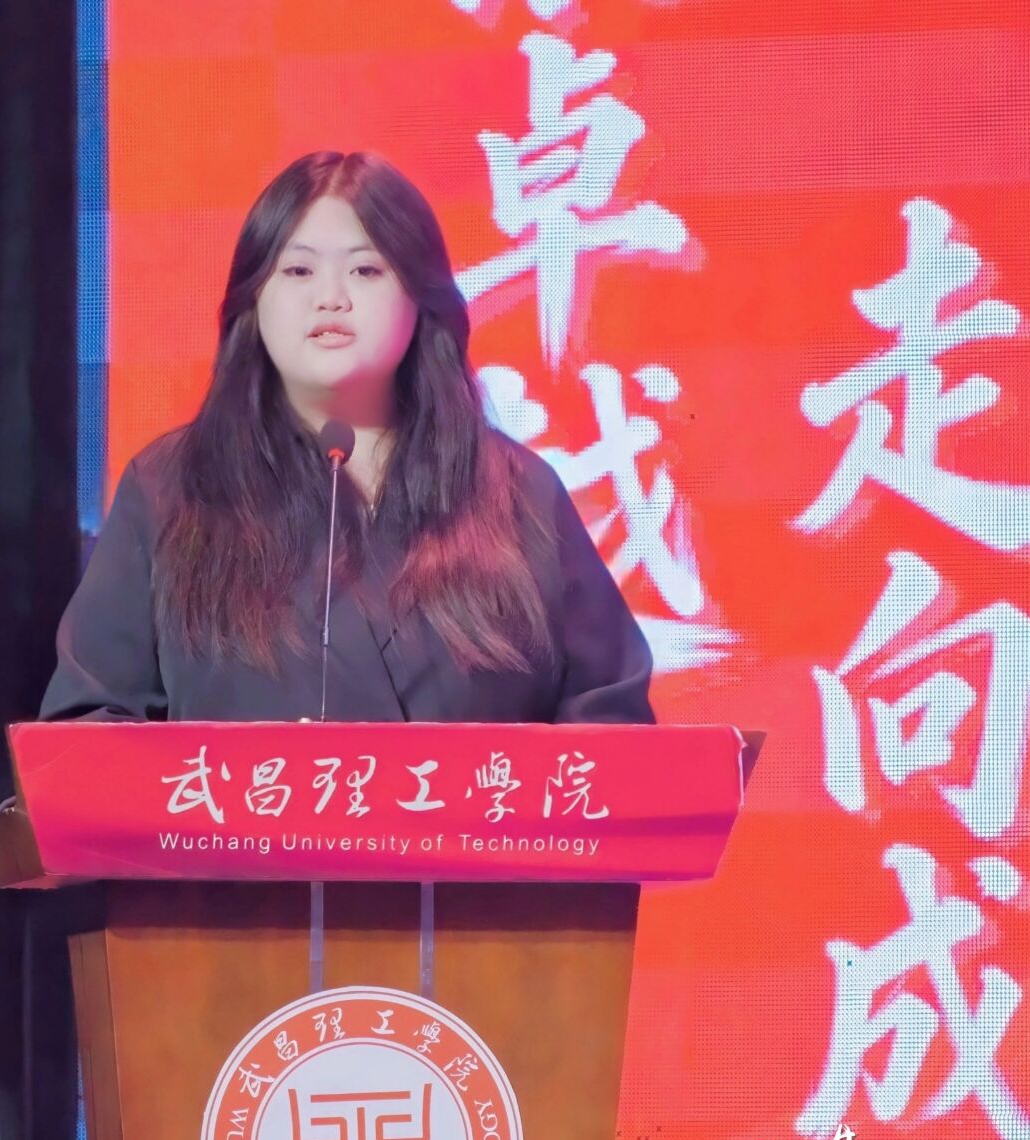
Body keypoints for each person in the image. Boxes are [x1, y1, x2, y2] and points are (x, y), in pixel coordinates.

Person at [41, 150, 654, 725]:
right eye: (298, 270)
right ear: (255, 298)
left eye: (365, 270)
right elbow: (89, 729)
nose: (330, 299)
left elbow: (609, 728)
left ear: (419, 298)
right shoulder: (173, 486)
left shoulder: (516, 491)